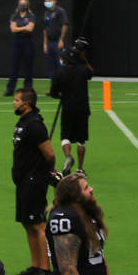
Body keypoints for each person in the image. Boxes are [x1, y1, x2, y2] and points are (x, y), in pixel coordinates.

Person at [10, 87, 57, 275]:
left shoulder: (36, 125)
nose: (14, 102)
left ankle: (45, 269)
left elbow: (50, 153)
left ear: (26, 104)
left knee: (37, 224)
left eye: (17, 100)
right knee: (27, 223)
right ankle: (35, 265)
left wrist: (49, 171)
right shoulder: (23, 122)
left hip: (34, 181)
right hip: (23, 181)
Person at [48, 38, 93, 176]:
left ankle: (68, 156)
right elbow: (91, 73)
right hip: (83, 108)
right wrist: (84, 59)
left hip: (67, 107)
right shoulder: (82, 70)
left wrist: (60, 94)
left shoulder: (60, 72)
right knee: (81, 139)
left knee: (65, 135)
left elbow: (53, 93)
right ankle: (80, 169)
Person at [4, 0, 37, 96]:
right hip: (17, 42)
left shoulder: (31, 16)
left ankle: (28, 89)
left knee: (28, 67)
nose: (22, 6)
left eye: (24, 4)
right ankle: (10, 89)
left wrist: (20, 28)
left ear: (27, 5)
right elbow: (13, 29)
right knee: (14, 67)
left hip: (28, 41)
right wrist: (24, 28)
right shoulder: (14, 16)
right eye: (20, 4)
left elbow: (30, 28)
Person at [41, 0, 69, 78]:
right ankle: (54, 88)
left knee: (60, 65)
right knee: (51, 66)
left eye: (49, 0)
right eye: (46, 1)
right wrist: (45, 44)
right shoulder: (46, 13)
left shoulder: (60, 11)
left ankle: (62, 88)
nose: (47, 2)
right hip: (49, 42)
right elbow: (45, 29)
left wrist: (61, 39)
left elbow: (65, 25)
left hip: (57, 41)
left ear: (55, 1)